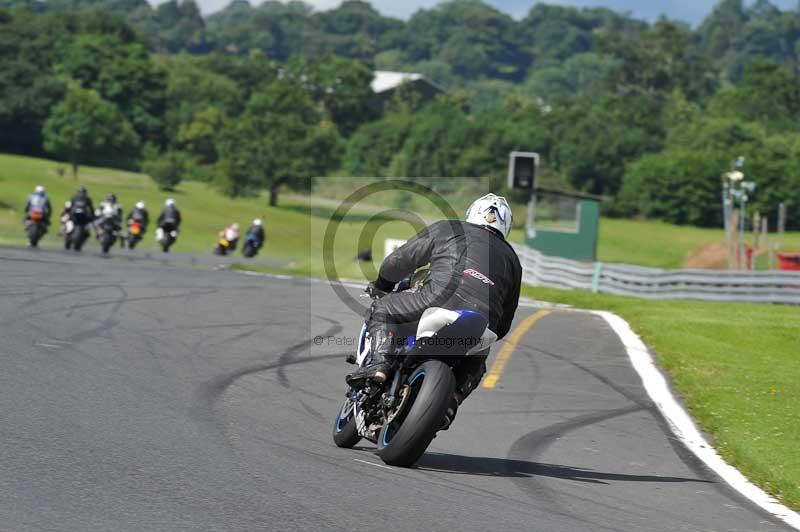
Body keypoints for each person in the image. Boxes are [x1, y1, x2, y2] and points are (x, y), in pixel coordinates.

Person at [346, 193, 522, 429]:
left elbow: (399, 261)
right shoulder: (512, 260)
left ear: (472, 213)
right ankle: (451, 402)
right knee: (477, 361)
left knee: (384, 308)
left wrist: (382, 285)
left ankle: (379, 363)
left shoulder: (449, 229)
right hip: (481, 320)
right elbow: (504, 323)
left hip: (434, 300)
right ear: (506, 226)